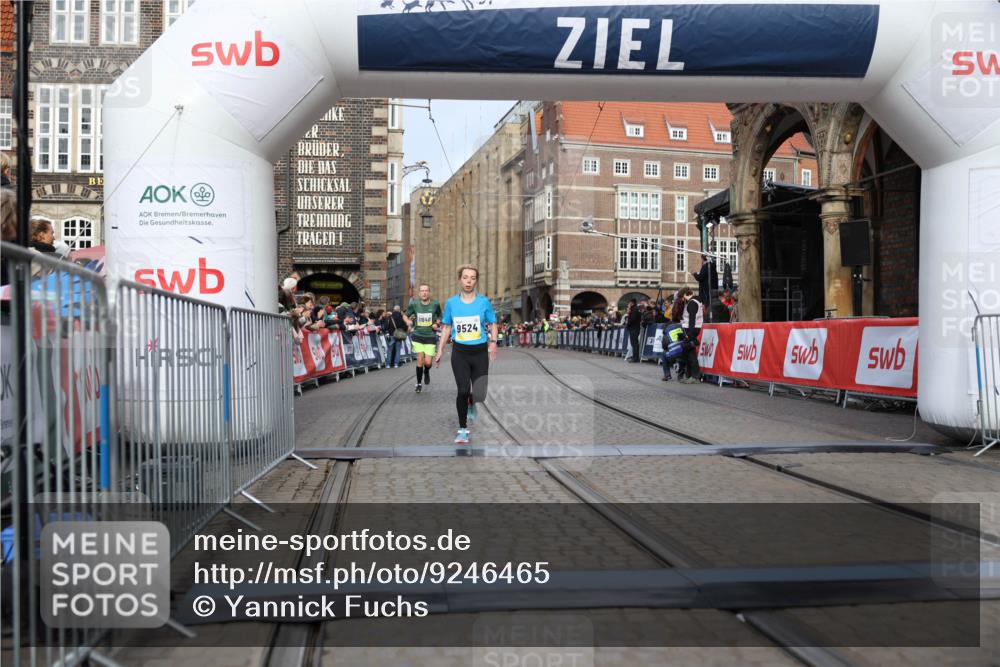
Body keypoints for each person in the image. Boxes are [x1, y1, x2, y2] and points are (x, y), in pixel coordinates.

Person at [435, 264, 498, 445]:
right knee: (462, 390)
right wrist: (440, 350)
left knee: (480, 393)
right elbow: (447, 327)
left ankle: (472, 401)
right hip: (460, 352)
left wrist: (493, 343)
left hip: (479, 352)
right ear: (459, 279)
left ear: (476, 281)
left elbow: (493, 323)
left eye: (472, 278)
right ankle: (462, 429)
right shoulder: (451, 303)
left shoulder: (483, 302)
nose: (468, 281)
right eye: (465, 277)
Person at [406, 284, 443, 393]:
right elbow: (405, 314)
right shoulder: (414, 304)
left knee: (428, 363)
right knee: (420, 360)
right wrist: (407, 321)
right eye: (422, 291)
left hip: (430, 336)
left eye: (426, 290)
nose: (424, 293)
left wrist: (437, 323)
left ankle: (426, 371)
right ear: (419, 293)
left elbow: (440, 316)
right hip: (418, 335)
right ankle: (418, 383)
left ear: (429, 292)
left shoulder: (435, 304)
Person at [677, 287, 703, 384]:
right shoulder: (696, 301)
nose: (682, 300)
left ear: (684, 295)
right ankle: (690, 375)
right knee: (688, 353)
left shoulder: (692, 303)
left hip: (691, 329)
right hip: (693, 329)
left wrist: (689, 335)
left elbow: (692, 320)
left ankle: (694, 376)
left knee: (691, 354)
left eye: (681, 298)